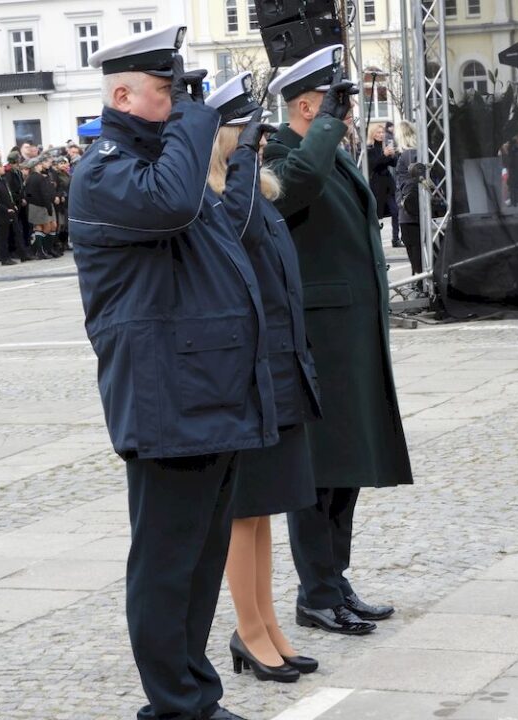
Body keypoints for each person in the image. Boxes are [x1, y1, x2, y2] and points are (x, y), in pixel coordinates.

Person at [69, 26, 277, 720]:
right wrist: (198, 116)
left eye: (179, 90)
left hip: (208, 395)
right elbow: (174, 205)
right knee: (165, 566)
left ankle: (195, 696)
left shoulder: (165, 162)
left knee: (195, 564)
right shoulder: (104, 171)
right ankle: (172, 706)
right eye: (165, 92)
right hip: (167, 401)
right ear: (122, 95)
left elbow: (228, 230)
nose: (178, 103)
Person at [264, 46, 414, 635]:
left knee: (347, 464)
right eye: (334, 102)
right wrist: (325, 127)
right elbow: (297, 188)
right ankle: (316, 592)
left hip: (350, 332)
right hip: (318, 336)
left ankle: (336, 578)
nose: (346, 113)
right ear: (305, 105)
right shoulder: (276, 154)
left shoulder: (325, 148)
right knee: (319, 470)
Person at [205, 73, 322, 684]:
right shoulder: (219, 200)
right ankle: (247, 630)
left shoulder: (258, 190)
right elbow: (241, 227)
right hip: (243, 378)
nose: (258, 144)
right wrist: (243, 161)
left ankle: (268, 622)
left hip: (276, 369)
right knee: (242, 511)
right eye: (246, 134)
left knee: (264, 510)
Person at [394, 120, 423, 275]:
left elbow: (412, 182)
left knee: (415, 255)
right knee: (415, 253)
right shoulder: (412, 154)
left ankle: (418, 282)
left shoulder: (408, 154)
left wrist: (403, 202)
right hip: (409, 212)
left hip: (409, 213)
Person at [366, 123, 400, 248]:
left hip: (387, 184)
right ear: (372, 134)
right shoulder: (369, 149)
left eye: (382, 132)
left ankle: (395, 239)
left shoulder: (385, 147)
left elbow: (394, 164)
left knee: (395, 211)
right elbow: (373, 165)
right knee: (377, 215)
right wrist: (384, 155)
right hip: (376, 184)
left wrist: (392, 155)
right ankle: (375, 242)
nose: (380, 135)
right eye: (378, 132)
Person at [23, 156, 56, 258]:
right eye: (40, 164)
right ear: (36, 166)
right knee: (45, 227)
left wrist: (31, 201)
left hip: (33, 205)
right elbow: (44, 194)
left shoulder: (29, 178)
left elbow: (27, 193)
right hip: (41, 205)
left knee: (39, 227)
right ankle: (41, 250)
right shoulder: (40, 178)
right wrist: (48, 207)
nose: (41, 166)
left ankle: (41, 250)